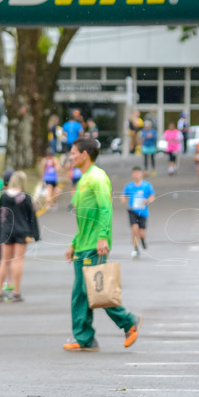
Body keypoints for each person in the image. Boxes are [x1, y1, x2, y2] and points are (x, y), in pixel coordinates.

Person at [63, 137, 141, 352]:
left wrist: (103, 237)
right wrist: (73, 243)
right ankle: (85, 338)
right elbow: (85, 219)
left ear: (84, 155)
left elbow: (105, 209)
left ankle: (128, 321)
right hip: (83, 244)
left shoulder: (97, 177)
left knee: (98, 291)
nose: (70, 156)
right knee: (81, 293)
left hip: (95, 245)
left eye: (73, 153)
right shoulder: (84, 178)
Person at [0, 171, 40, 302]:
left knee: (4, 261)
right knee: (17, 261)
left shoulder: (4, 197)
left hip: (6, 231)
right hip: (22, 231)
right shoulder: (25, 197)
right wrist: (35, 234)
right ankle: (16, 292)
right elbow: (32, 217)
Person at [123, 167, 155, 258]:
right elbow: (124, 196)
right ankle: (136, 248)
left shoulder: (146, 185)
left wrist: (147, 200)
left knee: (141, 232)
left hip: (143, 212)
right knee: (134, 229)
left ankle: (142, 239)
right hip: (132, 211)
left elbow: (152, 197)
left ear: (141, 174)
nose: (136, 175)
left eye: (138, 173)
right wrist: (123, 199)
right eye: (134, 173)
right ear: (132, 174)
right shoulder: (129, 186)